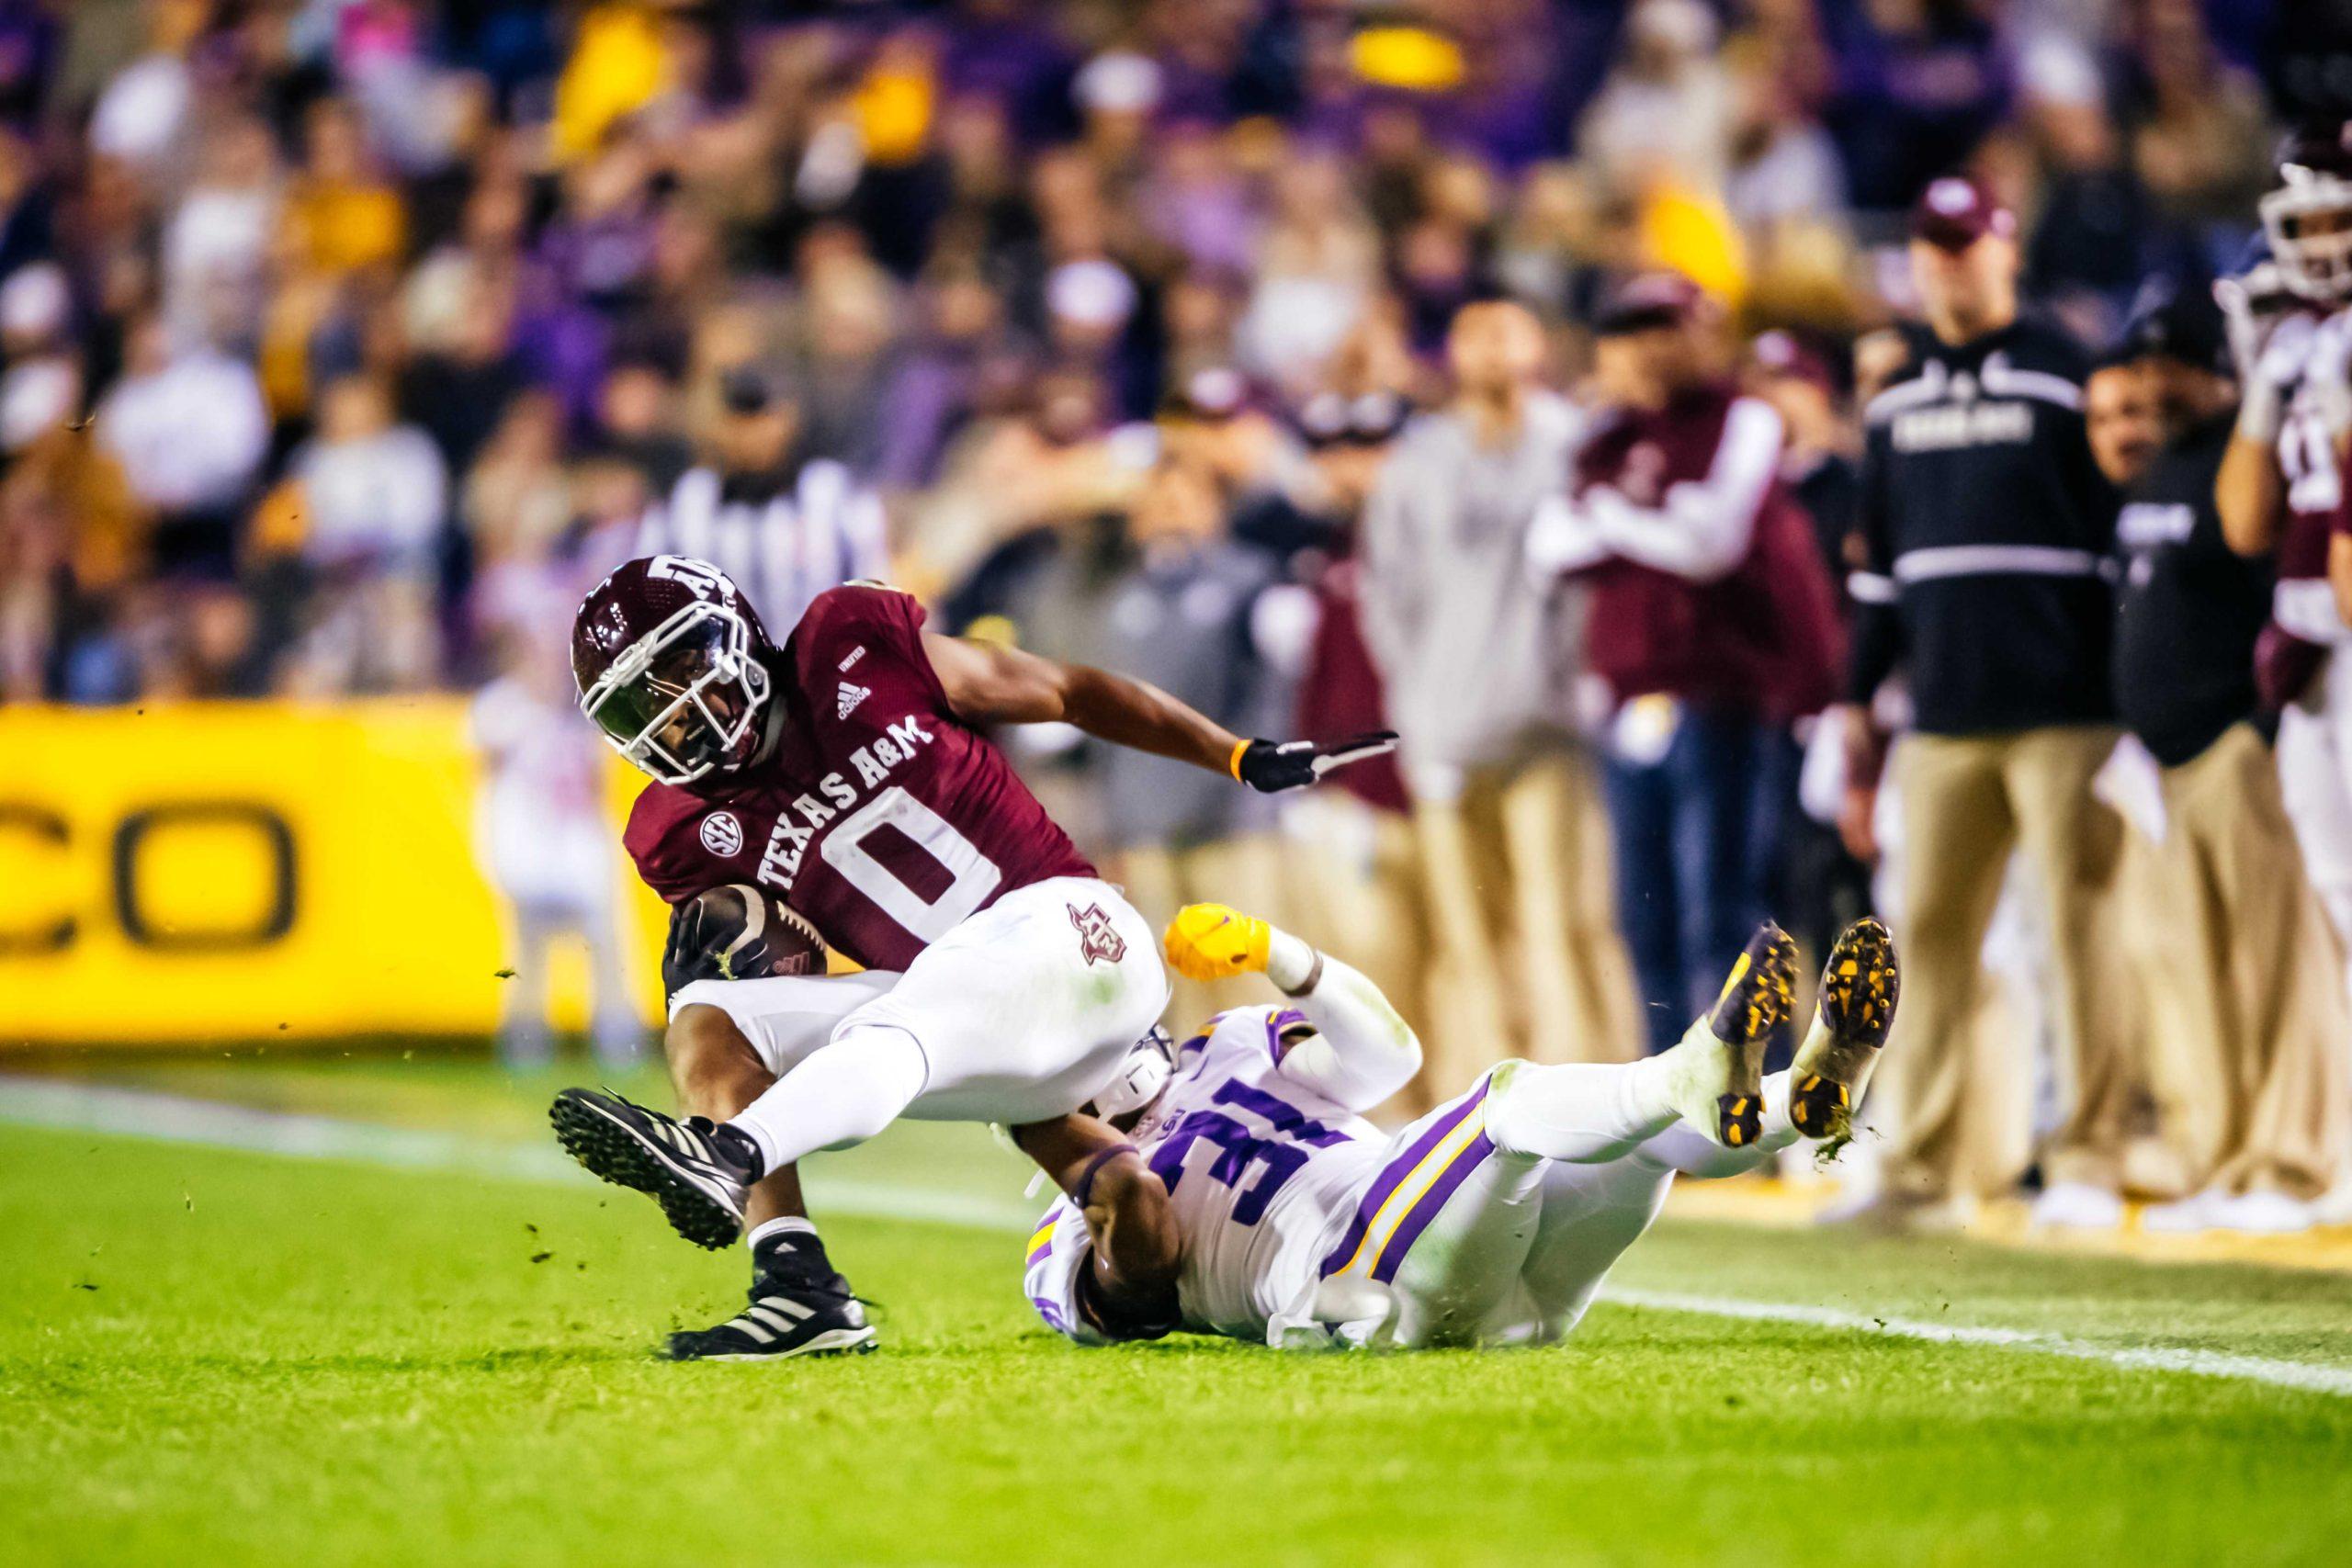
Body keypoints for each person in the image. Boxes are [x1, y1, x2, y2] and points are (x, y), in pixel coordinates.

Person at [551, 555, 1392, 1359]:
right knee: (711, 1012)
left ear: (731, 633)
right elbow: (1132, 1219)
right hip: (991, 1038)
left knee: (917, 1012)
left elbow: (1066, 690)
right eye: (640, 712)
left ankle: (728, 1153)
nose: (675, 718)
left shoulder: (850, 642)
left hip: (1077, 939)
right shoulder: (678, 832)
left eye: (679, 674)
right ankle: (797, 1282)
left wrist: (1234, 753)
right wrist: (752, 961)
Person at [1021, 904, 1899, 1351]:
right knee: (1507, 1102)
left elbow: (1388, 1059)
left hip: (1475, 1263)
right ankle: (1697, 1070)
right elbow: (1130, 1294)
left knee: (1633, 1137)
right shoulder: (1064, 1224)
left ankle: (1803, 1097)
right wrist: (1108, 1180)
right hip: (1356, 1275)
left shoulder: (1231, 1042)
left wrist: (1282, 955)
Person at [1836, 177, 2130, 1231]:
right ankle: (1918, 1169)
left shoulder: (2068, 376)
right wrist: (1857, 710)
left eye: (1966, 247)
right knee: (1929, 946)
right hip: (1944, 717)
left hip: (2067, 711)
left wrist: (2121, 691)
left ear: (2005, 252)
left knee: (2075, 934)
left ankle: (2088, 1158)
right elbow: (1876, 578)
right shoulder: (1896, 398)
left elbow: (2113, 547)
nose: (1948, 266)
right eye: (1932, 248)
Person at [1529, 272, 1840, 1055]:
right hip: (1631, 704)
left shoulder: (1744, 418)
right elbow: (1547, 547)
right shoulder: (1607, 437)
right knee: (1645, 912)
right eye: (1631, 331)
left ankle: (1759, 1095)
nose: (1646, 347)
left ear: (1703, 332)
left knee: (1727, 907)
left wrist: (1611, 519)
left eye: (1664, 327)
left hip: (1724, 693)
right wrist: (1646, 522)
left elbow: (1712, 544)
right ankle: (1666, 1104)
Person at [2094, 299, 2351, 1234]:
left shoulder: (2247, 471)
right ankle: (2222, 1161)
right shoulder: (2156, 472)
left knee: (2280, 968)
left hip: (2234, 749)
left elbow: (2274, 597)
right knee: (2192, 974)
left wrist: (2256, 726)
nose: (2154, 384)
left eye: (2173, 367)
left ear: (2220, 373)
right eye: (2143, 365)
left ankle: (2291, 1163)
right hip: (2158, 763)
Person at [1360, 298, 1638, 1080]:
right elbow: (1388, 594)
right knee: (1469, 935)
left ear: (1538, 343)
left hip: (1548, 724)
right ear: (1450, 351)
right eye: (1474, 334)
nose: (1491, 350)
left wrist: (1586, 679)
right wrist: (1411, 707)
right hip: (1444, 727)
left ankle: (1595, 1100)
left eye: (1508, 331)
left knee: (1568, 921)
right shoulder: (1418, 459)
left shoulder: (1576, 444)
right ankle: (1491, 1108)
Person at [2215, 128, 2352, 953]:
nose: (2322, 244)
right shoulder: (2302, 339)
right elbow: (2243, 522)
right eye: (2304, 226)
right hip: (2315, 646)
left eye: (2338, 219)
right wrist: (2263, 387)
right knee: (2339, 895)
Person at [633, 366, 891, 637]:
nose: (751, 433)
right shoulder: (685, 502)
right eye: (739, 418)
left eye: (762, 415)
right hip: (716, 674)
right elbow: (646, 601)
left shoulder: (835, 495)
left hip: (823, 670)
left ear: (790, 418)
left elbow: (875, 592)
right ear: (718, 425)